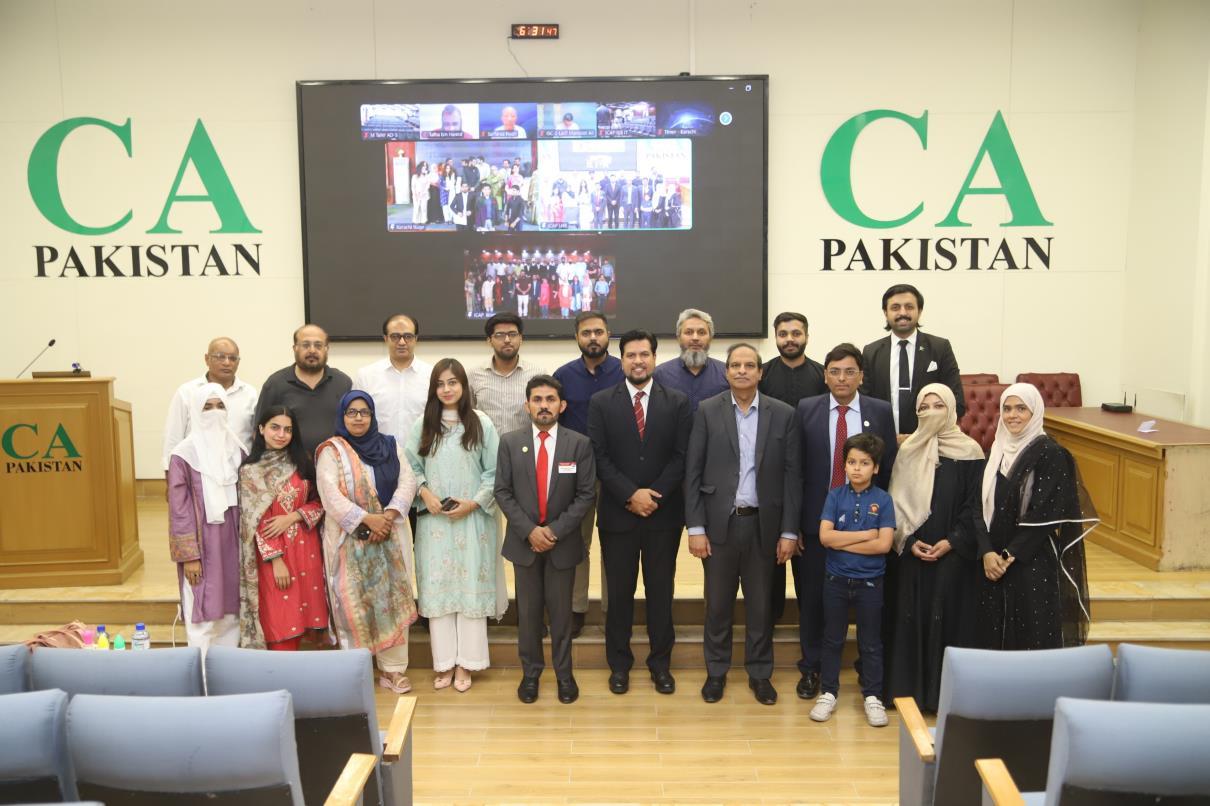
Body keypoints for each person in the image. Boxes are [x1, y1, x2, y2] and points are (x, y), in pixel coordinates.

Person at [684, 344, 801, 705]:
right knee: (717, 606)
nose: (742, 370)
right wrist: (695, 528)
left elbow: (792, 477)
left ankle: (760, 674)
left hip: (764, 526)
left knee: (761, 607)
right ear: (726, 372)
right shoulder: (708, 410)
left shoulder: (783, 414)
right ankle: (716, 672)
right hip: (720, 526)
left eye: (750, 365)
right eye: (735, 365)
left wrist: (789, 531)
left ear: (760, 372)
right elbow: (693, 471)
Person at [588, 330, 691, 695]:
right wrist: (631, 494)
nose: (638, 361)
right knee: (619, 595)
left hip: (663, 515)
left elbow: (682, 456)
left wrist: (654, 496)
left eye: (644, 354)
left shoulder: (677, 401)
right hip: (618, 515)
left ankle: (660, 665)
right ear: (622, 361)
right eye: (631, 355)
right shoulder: (601, 402)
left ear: (654, 358)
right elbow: (599, 456)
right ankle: (619, 665)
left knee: (661, 593)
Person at [793, 343, 898, 702]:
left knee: (869, 607)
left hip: (868, 526)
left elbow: (888, 468)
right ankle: (812, 669)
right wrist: (794, 525)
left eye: (850, 371)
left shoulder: (879, 411)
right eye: (835, 371)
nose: (842, 378)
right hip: (816, 524)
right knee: (812, 601)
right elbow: (796, 470)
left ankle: (868, 672)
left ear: (861, 376)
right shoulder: (806, 409)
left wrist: (882, 521)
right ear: (825, 376)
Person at [495, 375, 597, 704]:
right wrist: (530, 531)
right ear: (527, 406)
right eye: (537, 400)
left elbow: (585, 495)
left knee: (561, 615)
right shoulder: (510, 442)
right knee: (528, 615)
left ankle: (565, 675)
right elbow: (503, 492)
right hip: (524, 544)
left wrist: (552, 531)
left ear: (562, 406)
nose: (543, 405)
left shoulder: (578, 444)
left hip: (561, 543)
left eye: (550, 399)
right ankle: (531, 674)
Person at [405, 359, 503, 692]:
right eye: (440, 384)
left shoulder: (481, 423)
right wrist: (425, 493)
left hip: (473, 521)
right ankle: (445, 663)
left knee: (470, 589)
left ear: (463, 386)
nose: (447, 389)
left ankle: (467, 664)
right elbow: (410, 466)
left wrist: (473, 503)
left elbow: (494, 471)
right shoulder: (423, 425)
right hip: (434, 523)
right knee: (439, 589)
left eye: (453, 382)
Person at [886, 384, 985, 712]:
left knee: (948, 617)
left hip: (954, 553)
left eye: (938, 406)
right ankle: (908, 692)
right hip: (912, 550)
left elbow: (976, 505)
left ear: (952, 410)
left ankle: (940, 696)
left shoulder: (970, 451)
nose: (930, 413)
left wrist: (952, 541)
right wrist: (909, 540)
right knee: (910, 616)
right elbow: (895, 502)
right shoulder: (908, 449)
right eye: (923, 407)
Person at [978, 383, 1095, 651]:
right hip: (991, 561)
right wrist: (986, 552)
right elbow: (976, 506)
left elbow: (1046, 512)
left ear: (1035, 412)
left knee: (1031, 634)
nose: (1013, 415)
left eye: (1021, 409)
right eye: (1007, 409)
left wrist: (1007, 556)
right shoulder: (995, 453)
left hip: (1030, 560)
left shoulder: (1052, 454)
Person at [316, 391, 419, 694]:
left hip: (391, 534)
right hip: (349, 540)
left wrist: (387, 516)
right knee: (353, 604)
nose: (358, 418)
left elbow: (408, 480)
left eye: (364, 412)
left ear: (373, 416)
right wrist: (366, 519)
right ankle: (356, 671)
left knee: (391, 600)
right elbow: (329, 494)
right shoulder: (331, 451)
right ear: (342, 416)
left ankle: (393, 670)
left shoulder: (389, 445)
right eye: (352, 412)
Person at [811, 433, 896, 727]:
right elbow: (825, 537)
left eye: (864, 463)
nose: (857, 468)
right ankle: (828, 693)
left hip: (870, 583)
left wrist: (843, 541)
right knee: (832, 639)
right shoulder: (835, 496)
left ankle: (872, 696)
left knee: (870, 642)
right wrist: (865, 535)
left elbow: (883, 545)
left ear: (876, 467)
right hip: (836, 580)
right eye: (851, 462)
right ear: (844, 465)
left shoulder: (883, 500)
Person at [554, 312, 624, 635]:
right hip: (576, 475)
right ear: (577, 337)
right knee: (576, 544)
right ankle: (576, 608)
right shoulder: (563, 376)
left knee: (614, 543)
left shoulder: (623, 371)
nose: (593, 337)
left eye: (598, 331)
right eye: (586, 333)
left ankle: (613, 609)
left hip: (616, 473)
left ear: (609, 334)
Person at [236, 406, 329, 650]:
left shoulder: (302, 462)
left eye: (288, 430)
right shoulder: (250, 470)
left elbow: (320, 502)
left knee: (306, 614)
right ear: (261, 429)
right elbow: (253, 521)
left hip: (306, 550)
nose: (281, 434)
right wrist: (276, 560)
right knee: (281, 619)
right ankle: (279, 669)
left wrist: (293, 517)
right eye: (275, 427)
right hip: (274, 555)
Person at [759, 312, 827, 622]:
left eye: (796, 333)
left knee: (807, 560)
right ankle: (770, 623)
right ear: (776, 337)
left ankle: (808, 624)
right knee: (770, 559)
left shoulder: (822, 375)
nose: (790, 339)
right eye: (783, 334)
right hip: (770, 478)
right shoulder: (763, 374)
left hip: (812, 476)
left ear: (807, 336)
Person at [168, 383, 244, 651]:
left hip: (233, 541)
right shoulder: (183, 455)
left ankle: (226, 668)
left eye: (220, 406)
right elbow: (179, 510)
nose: (215, 413)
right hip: (202, 543)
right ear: (196, 412)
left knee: (232, 609)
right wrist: (190, 556)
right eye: (207, 407)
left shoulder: (238, 451)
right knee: (203, 605)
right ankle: (200, 670)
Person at [860, 284, 965, 439]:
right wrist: (890, 438)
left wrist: (922, 437)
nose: (903, 313)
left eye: (909, 307)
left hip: (931, 441)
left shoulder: (940, 348)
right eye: (895, 307)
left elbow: (956, 401)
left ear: (919, 311)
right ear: (885, 313)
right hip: (885, 442)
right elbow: (864, 403)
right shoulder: (871, 352)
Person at [255, 324, 352, 461]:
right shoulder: (275, 384)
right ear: (295, 348)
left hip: (335, 466)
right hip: (288, 468)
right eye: (305, 345)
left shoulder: (343, 383)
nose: (312, 350)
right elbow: (258, 431)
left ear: (326, 349)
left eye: (318, 345)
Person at [163, 337, 258, 474]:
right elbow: (173, 436)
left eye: (233, 358)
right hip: (197, 473)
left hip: (239, 474)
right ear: (207, 359)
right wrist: (170, 472)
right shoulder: (187, 392)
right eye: (220, 357)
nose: (227, 362)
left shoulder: (250, 394)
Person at [353, 314, 433, 444]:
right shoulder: (366, 376)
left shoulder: (432, 375)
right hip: (377, 454)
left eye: (408, 336)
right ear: (385, 338)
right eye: (395, 336)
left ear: (416, 339)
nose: (402, 342)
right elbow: (356, 421)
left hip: (420, 454)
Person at [469, 313, 545, 437]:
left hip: (525, 447)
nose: (507, 340)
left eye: (513, 334)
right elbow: (468, 416)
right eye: (500, 335)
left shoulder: (537, 375)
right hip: (486, 447)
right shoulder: (474, 376)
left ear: (521, 338)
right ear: (489, 341)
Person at [652, 308, 729, 413]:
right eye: (688, 332)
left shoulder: (726, 373)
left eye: (701, 332)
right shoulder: (659, 375)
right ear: (679, 337)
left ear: (710, 338)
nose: (695, 338)